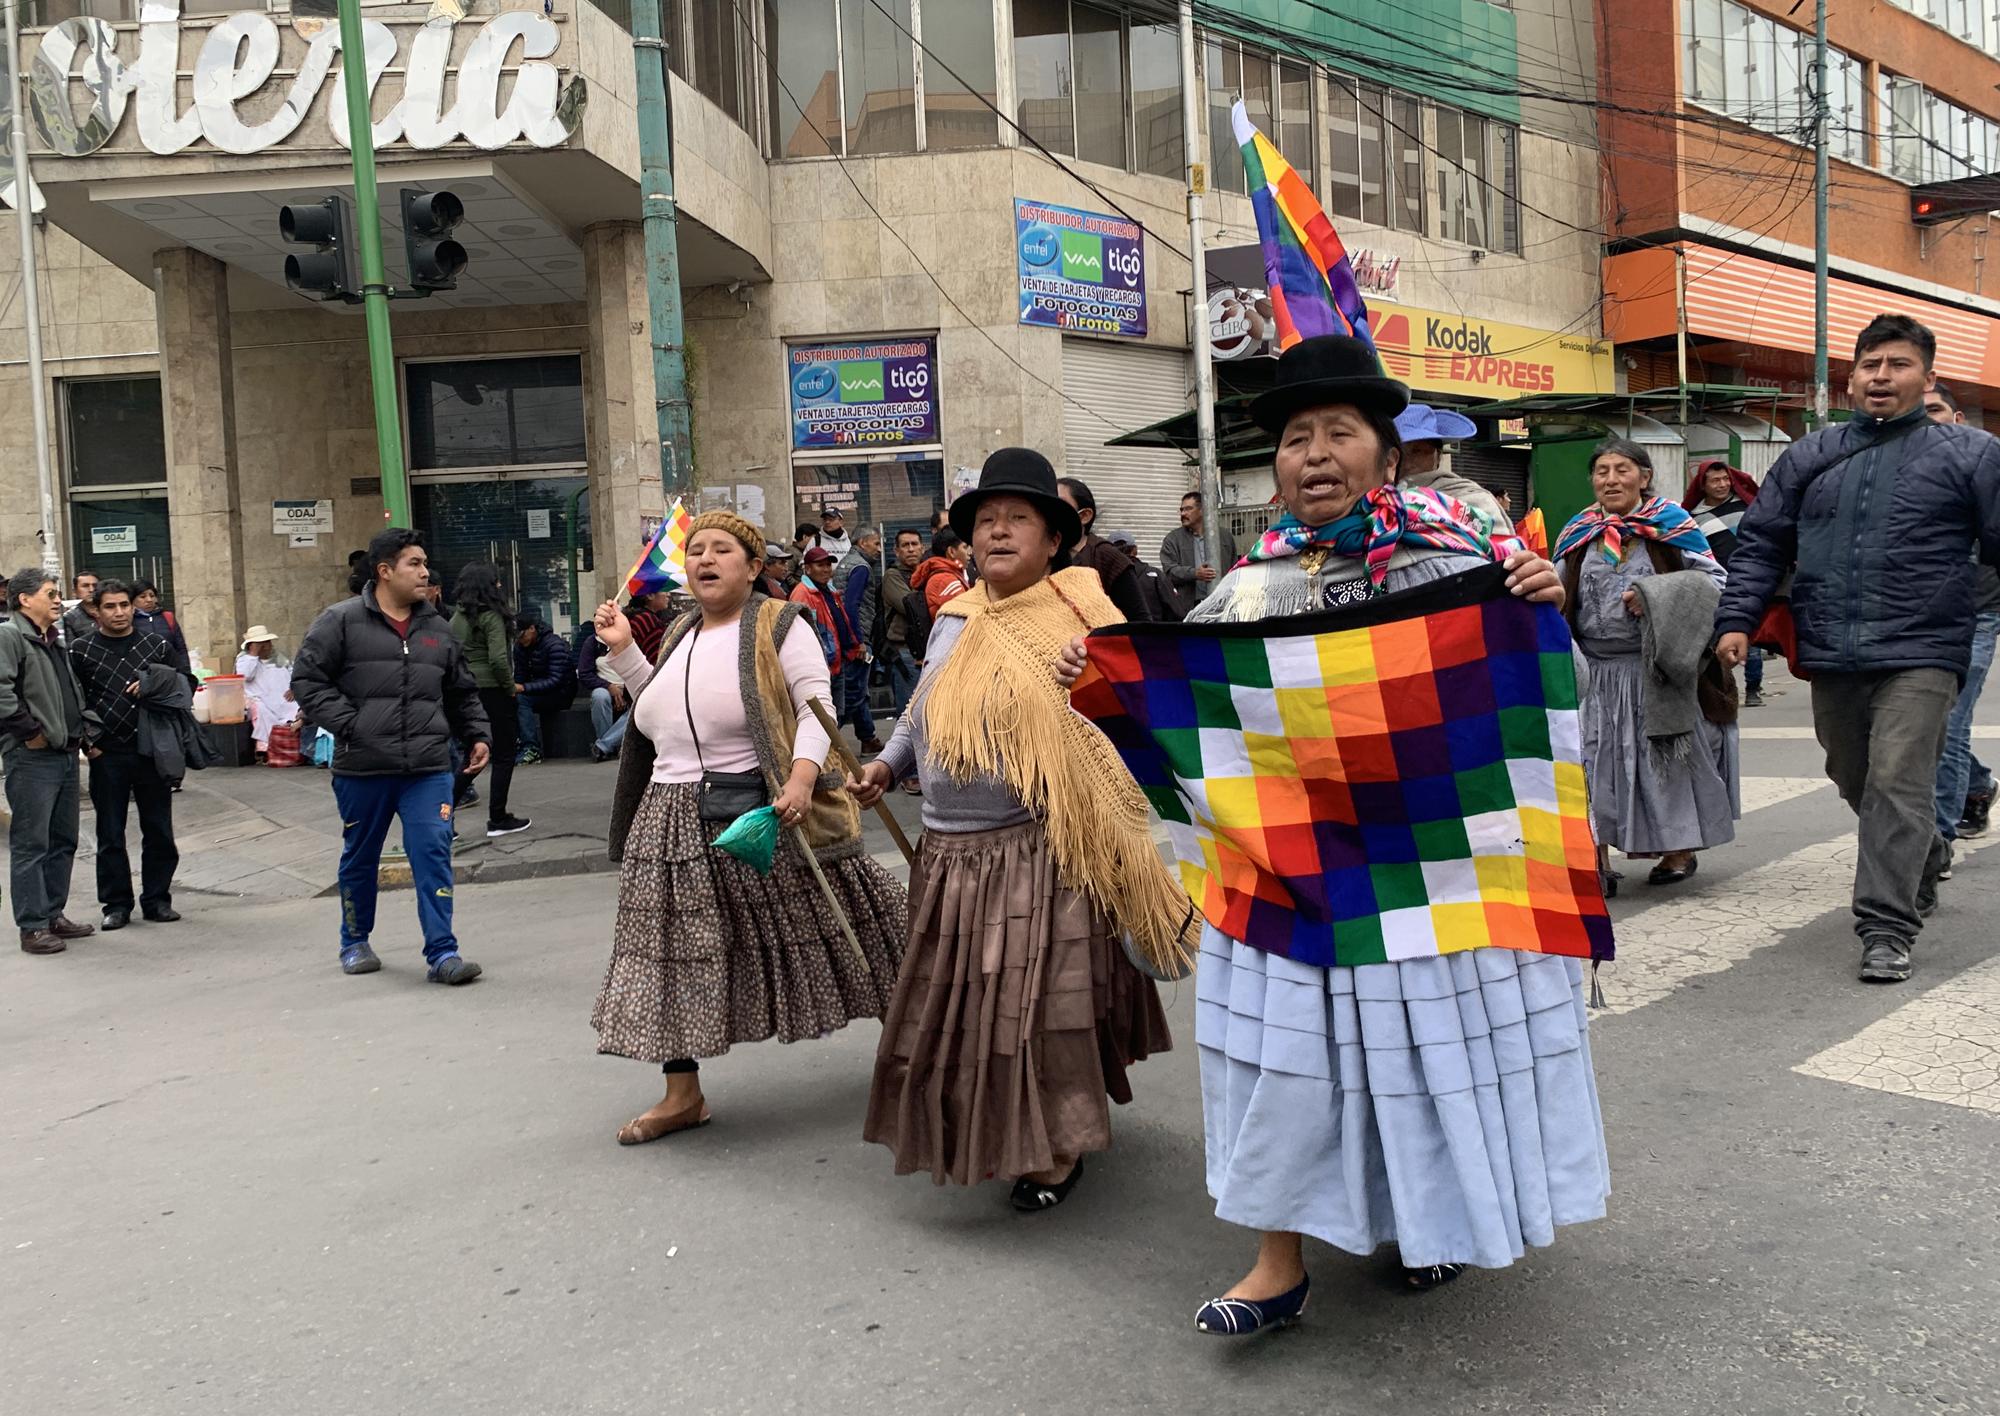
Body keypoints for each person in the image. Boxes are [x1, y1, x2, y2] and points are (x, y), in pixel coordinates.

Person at [1063, 335, 1602, 1326]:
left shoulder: (1462, 570)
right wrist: (1101, 685)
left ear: (1385, 457)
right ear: (1271, 468)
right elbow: (1193, 730)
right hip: (1289, 881)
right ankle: (1278, 1260)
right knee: (1282, 1066)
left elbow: (1541, 712)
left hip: (1424, 878)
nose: (1312, 453)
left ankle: (1428, 1221)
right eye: (1294, 438)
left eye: (1337, 433)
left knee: (1412, 1055)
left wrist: (1542, 613)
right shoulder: (1240, 593)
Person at [850, 448, 1181, 1210]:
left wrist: (1091, 676)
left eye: (1017, 520)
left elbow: (1128, 713)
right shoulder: (954, 619)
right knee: (967, 1010)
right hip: (950, 855)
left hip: (1040, 848)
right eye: (985, 522)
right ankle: (996, 1128)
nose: (997, 533)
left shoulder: (1080, 612)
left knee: (1039, 1013)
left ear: (1054, 539)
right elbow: (922, 708)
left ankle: (1057, 1148)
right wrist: (888, 766)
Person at [591, 511, 907, 1145]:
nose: (705, 559)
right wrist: (624, 649)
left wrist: (799, 777)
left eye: (721, 550)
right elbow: (660, 707)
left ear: (754, 566)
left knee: (850, 930)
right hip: (668, 818)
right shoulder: (679, 628)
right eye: (697, 550)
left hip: (760, 812)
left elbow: (816, 704)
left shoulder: (779, 623)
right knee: (669, 955)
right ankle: (683, 1094)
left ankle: (915, 1050)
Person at [1715, 313, 2000, 984]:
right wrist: (1737, 619)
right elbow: (1761, 543)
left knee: (1899, 781)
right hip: (1832, 644)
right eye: (1869, 365)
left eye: (1897, 364)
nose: (1880, 376)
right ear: (1853, 377)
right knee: (1854, 776)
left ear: (1927, 378)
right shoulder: (1812, 455)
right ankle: (1926, 846)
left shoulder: (1972, 454)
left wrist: (1968, 603)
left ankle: (1885, 927)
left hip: (1924, 649)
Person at [292, 529, 492, 983]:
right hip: (363, 768)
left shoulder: (438, 627)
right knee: (360, 856)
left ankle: (443, 954)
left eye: (424, 564)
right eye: (414, 564)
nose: (425, 573)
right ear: (385, 572)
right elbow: (307, 680)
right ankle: (355, 940)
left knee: (433, 853)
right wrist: (352, 724)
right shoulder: (339, 621)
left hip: (428, 768)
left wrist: (478, 734)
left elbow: (461, 690)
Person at [1558, 439, 1740, 890]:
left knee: (1664, 763)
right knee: (1590, 763)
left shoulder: (1672, 525)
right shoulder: (1578, 531)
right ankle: (1593, 858)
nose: (1611, 479)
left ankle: (1676, 850)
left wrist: (1654, 596)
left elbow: (1715, 581)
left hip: (1655, 672)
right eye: (1602, 471)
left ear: (1644, 476)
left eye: (1622, 469)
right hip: (1593, 672)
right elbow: (1557, 588)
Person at [71, 580, 184, 931]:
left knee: (159, 830)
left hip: (152, 751)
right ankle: (116, 904)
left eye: (124, 605)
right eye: (110, 606)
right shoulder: (80, 650)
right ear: (96, 610)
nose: (119, 613)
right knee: (110, 833)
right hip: (108, 754)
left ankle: (157, 900)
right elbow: (74, 702)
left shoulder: (156, 644)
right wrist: (90, 743)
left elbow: (186, 684)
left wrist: (158, 682)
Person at [1920, 383, 1999, 863]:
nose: (1927, 419)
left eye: (1935, 410)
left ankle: (1940, 839)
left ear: (1957, 418)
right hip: (1917, 618)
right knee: (1920, 725)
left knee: (1950, 722)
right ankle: (1977, 784)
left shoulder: (1987, 467)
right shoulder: (1899, 472)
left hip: (1978, 612)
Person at [0, 568, 94, 955]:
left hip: (65, 753)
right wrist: (30, 732)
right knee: (30, 843)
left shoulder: (53, 639)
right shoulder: (9, 635)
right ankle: (33, 926)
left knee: (63, 840)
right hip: (32, 756)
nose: (58, 599)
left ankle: (53, 914)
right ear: (25, 599)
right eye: (50, 593)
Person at [448, 563, 529, 836]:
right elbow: (497, 659)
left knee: (472, 755)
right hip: (493, 691)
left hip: (466, 691)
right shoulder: (491, 616)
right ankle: (498, 817)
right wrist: (510, 688)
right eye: (495, 582)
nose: (499, 586)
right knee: (504, 754)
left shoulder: (457, 617)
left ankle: (442, 818)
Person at [1680, 457, 1766, 706]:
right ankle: (1724, 687)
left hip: (1750, 581)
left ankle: (1753, 689)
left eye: (1725, 479)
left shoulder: (1746, 506)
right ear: (1703, 485)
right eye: (1715, 480)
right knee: (1720, 638)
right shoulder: (1694, 519)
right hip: (1717, 585)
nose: (1722, 484)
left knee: (1752, 637)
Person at [790, 548, 878, 753]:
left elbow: (841, 623)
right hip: (821, 665)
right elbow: (803, 633)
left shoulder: (828, 589)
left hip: (838, 662)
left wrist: (855, 645)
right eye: (820, 565)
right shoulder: (803, 594)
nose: (826, 569)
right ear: (808, 568)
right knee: (826, 716)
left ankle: (829, 756)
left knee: (837, 712)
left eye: (828, 564)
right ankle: (821, 756)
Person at [1394, 403, 1510, 526]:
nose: (1406, 461)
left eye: (1417, 451)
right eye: (1399, 453)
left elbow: (1498, 541)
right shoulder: (1381, 500)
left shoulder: (1473, 500)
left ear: (1438, 456)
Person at [1055, 477, 1152, 621]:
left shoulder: (1108, 557)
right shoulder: (1042, 556)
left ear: (1084, 516)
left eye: (1060, 504)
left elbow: (1140, 621)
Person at [1160, 491, 1237, 619]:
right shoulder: (1173, 539)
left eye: (1188, 509)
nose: (1183, 514)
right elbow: (1169, 572)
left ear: (1202, 510)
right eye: (1181, 510)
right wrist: (1195, 573)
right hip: (1188, 608)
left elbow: (1234, 569)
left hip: (1221, 605)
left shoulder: (1224, 537)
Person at [512, 618, 576, 765]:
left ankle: (531, 748)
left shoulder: (554, 644)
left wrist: (524, 688)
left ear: (532, 629)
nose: (520, 640)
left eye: (522, 636)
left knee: (522, 700)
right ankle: (516, 743)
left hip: (561, 693)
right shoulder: (520, 647)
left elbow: (556, 680)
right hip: (538, 690)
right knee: (511, 699)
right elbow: (520, 676)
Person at [235, 626, 302, 758]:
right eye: (262, 644)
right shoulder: (244, 660)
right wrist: (254, 654)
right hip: (259, 699)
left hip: (284, 700)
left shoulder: (280, 659)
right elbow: (245, 675)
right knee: (261, 711)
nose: (267, 647)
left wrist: (294, 688)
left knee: (297, 710)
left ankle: (293, 746)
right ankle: (267, 748)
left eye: (267, 643)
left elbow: (295, 674)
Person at [879, 528, 925, 717]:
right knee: (909, 714)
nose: (911, 549)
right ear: (896, 551)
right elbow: (911, 607)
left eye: (914, 544)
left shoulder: (927, 573)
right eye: (905, 545)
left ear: (922, 548)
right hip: (905, 651)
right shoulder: (893, 576)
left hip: (928, 650)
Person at [576, 630, 631, 763]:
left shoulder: (629, 639)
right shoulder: (592, 642)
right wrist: (608, 686)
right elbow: (584, 673)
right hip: (604, 687)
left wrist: (625, 691)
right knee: (599, 697)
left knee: (638, 709)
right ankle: (609, 747)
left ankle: (602, 747)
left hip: (629, 688)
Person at [1103, 529, 1175, 622]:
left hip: (1117, 634)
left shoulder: (1100, 576)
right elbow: (1175, 611)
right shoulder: (1155, 575)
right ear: (1135, 550)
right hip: (1151, 634)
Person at [132, 582, 192, 680]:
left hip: (171, 675)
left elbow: (181, 649)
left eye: (152, 596)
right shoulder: (130, 621)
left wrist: (186, 674)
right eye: (142, 597)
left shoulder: (167, 617)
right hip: (142, 677)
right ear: (132, 600)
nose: (149, 600)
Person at [911, 528, 972, 620]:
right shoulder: (945, 580)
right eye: (965, 547)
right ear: (951, 551)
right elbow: (964, 618)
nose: (970, 553)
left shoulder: (946, 575)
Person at [61, 570, 99, 644]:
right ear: (75, 591)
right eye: (85, 586)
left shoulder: (110, 611)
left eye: (95, 586)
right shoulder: (70, 618)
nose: (91, 590)